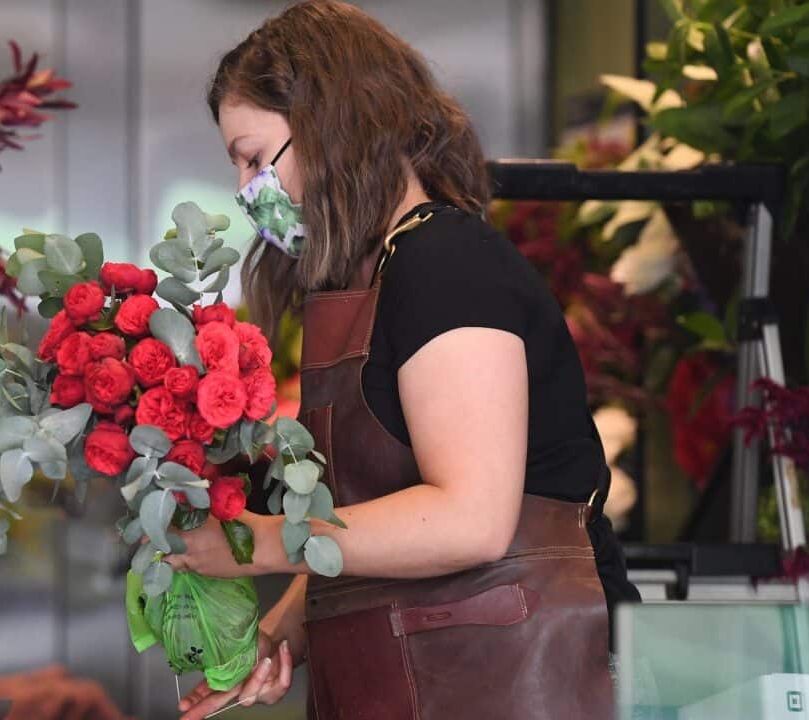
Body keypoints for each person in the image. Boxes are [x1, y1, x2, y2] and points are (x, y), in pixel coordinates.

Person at [166, 2, 639, 718]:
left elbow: (468, 520)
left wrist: (264, 543)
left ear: (333, 128)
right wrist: (287, 625)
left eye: (257, 158)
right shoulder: (375, 279)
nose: (246, 191)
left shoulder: (446, 266)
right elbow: (382, 513)